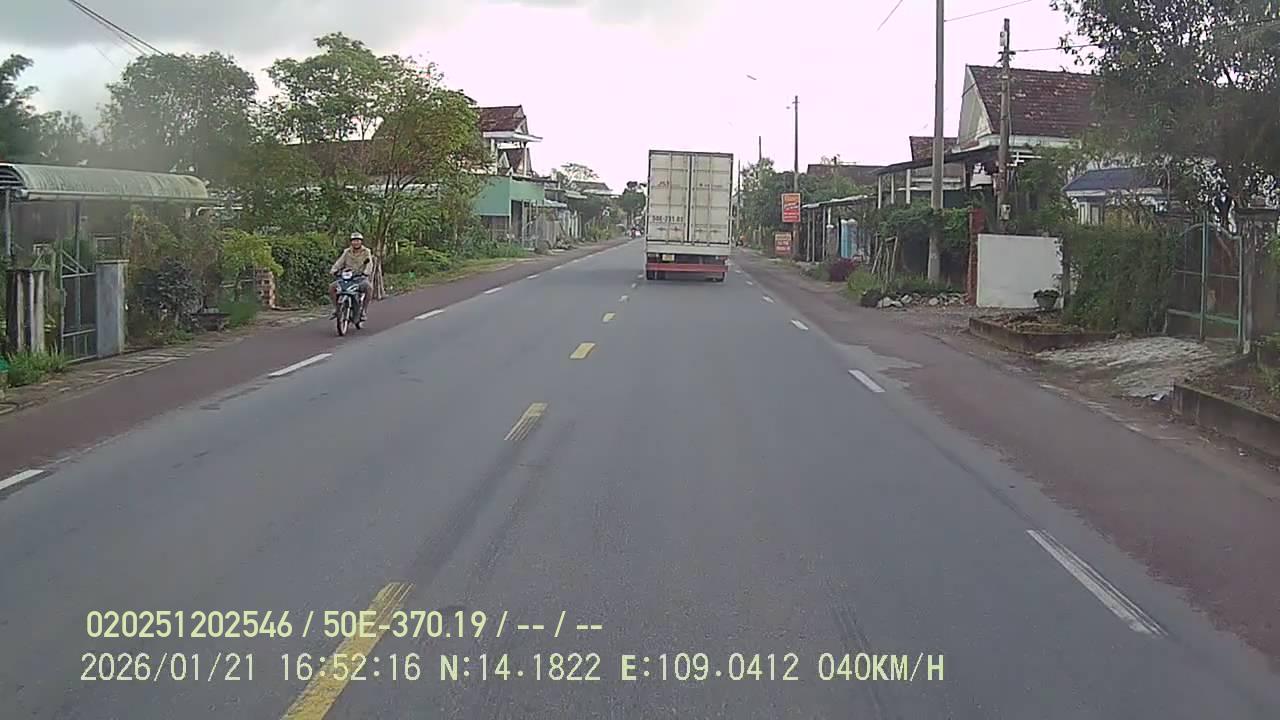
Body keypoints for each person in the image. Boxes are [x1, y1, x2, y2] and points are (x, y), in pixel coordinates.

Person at [330, 232, 374, 319]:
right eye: (354, 241)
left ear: (361, 241)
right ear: (351, 242)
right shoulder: (347, 252)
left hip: (360, 277)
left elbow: (369, 264)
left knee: (369, 288)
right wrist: (334, 270)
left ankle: (363, 310)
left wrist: (366, 272)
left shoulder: (366, 251)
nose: (355, 243)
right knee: (332, 287)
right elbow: (339, 262)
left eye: (357, 240)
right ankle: (337, 308)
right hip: (347, 277)